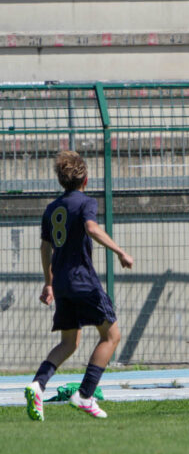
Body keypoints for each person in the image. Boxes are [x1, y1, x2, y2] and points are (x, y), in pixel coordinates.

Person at [24, 150, 134, 421]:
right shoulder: (86, 202)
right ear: (85, 180)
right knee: (111, 336)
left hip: (62, 283)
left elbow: (45, 248)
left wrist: (49, 284)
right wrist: (120, 251)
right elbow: (92, 228)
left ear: (61, 181)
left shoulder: (51, 209)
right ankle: (85, 395)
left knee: (69, 342)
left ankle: (38, 384)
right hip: (83, 280)